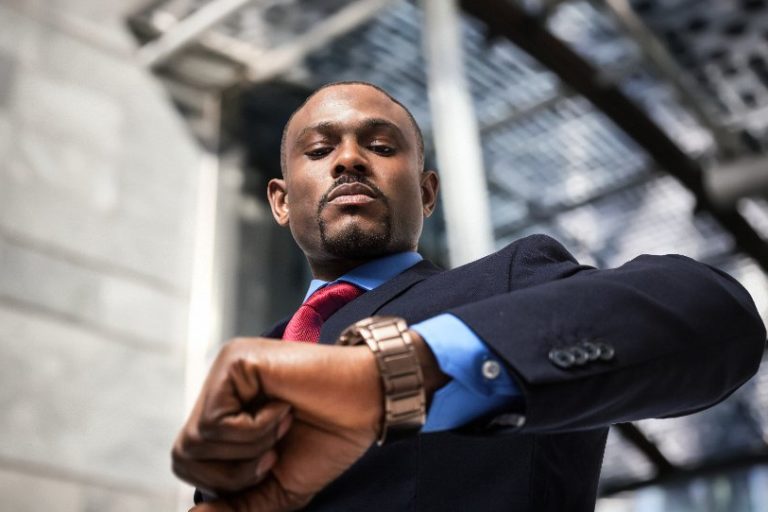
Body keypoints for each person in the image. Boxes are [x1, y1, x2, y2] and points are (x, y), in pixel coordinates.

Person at [171, 81, 766, 512]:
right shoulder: (255, 366)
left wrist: (394, 378)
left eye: (380, 145)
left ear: (427, 193)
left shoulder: (506, 286)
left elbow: (715, 315)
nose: (349, 158)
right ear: (279, 200)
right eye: (320, 150)